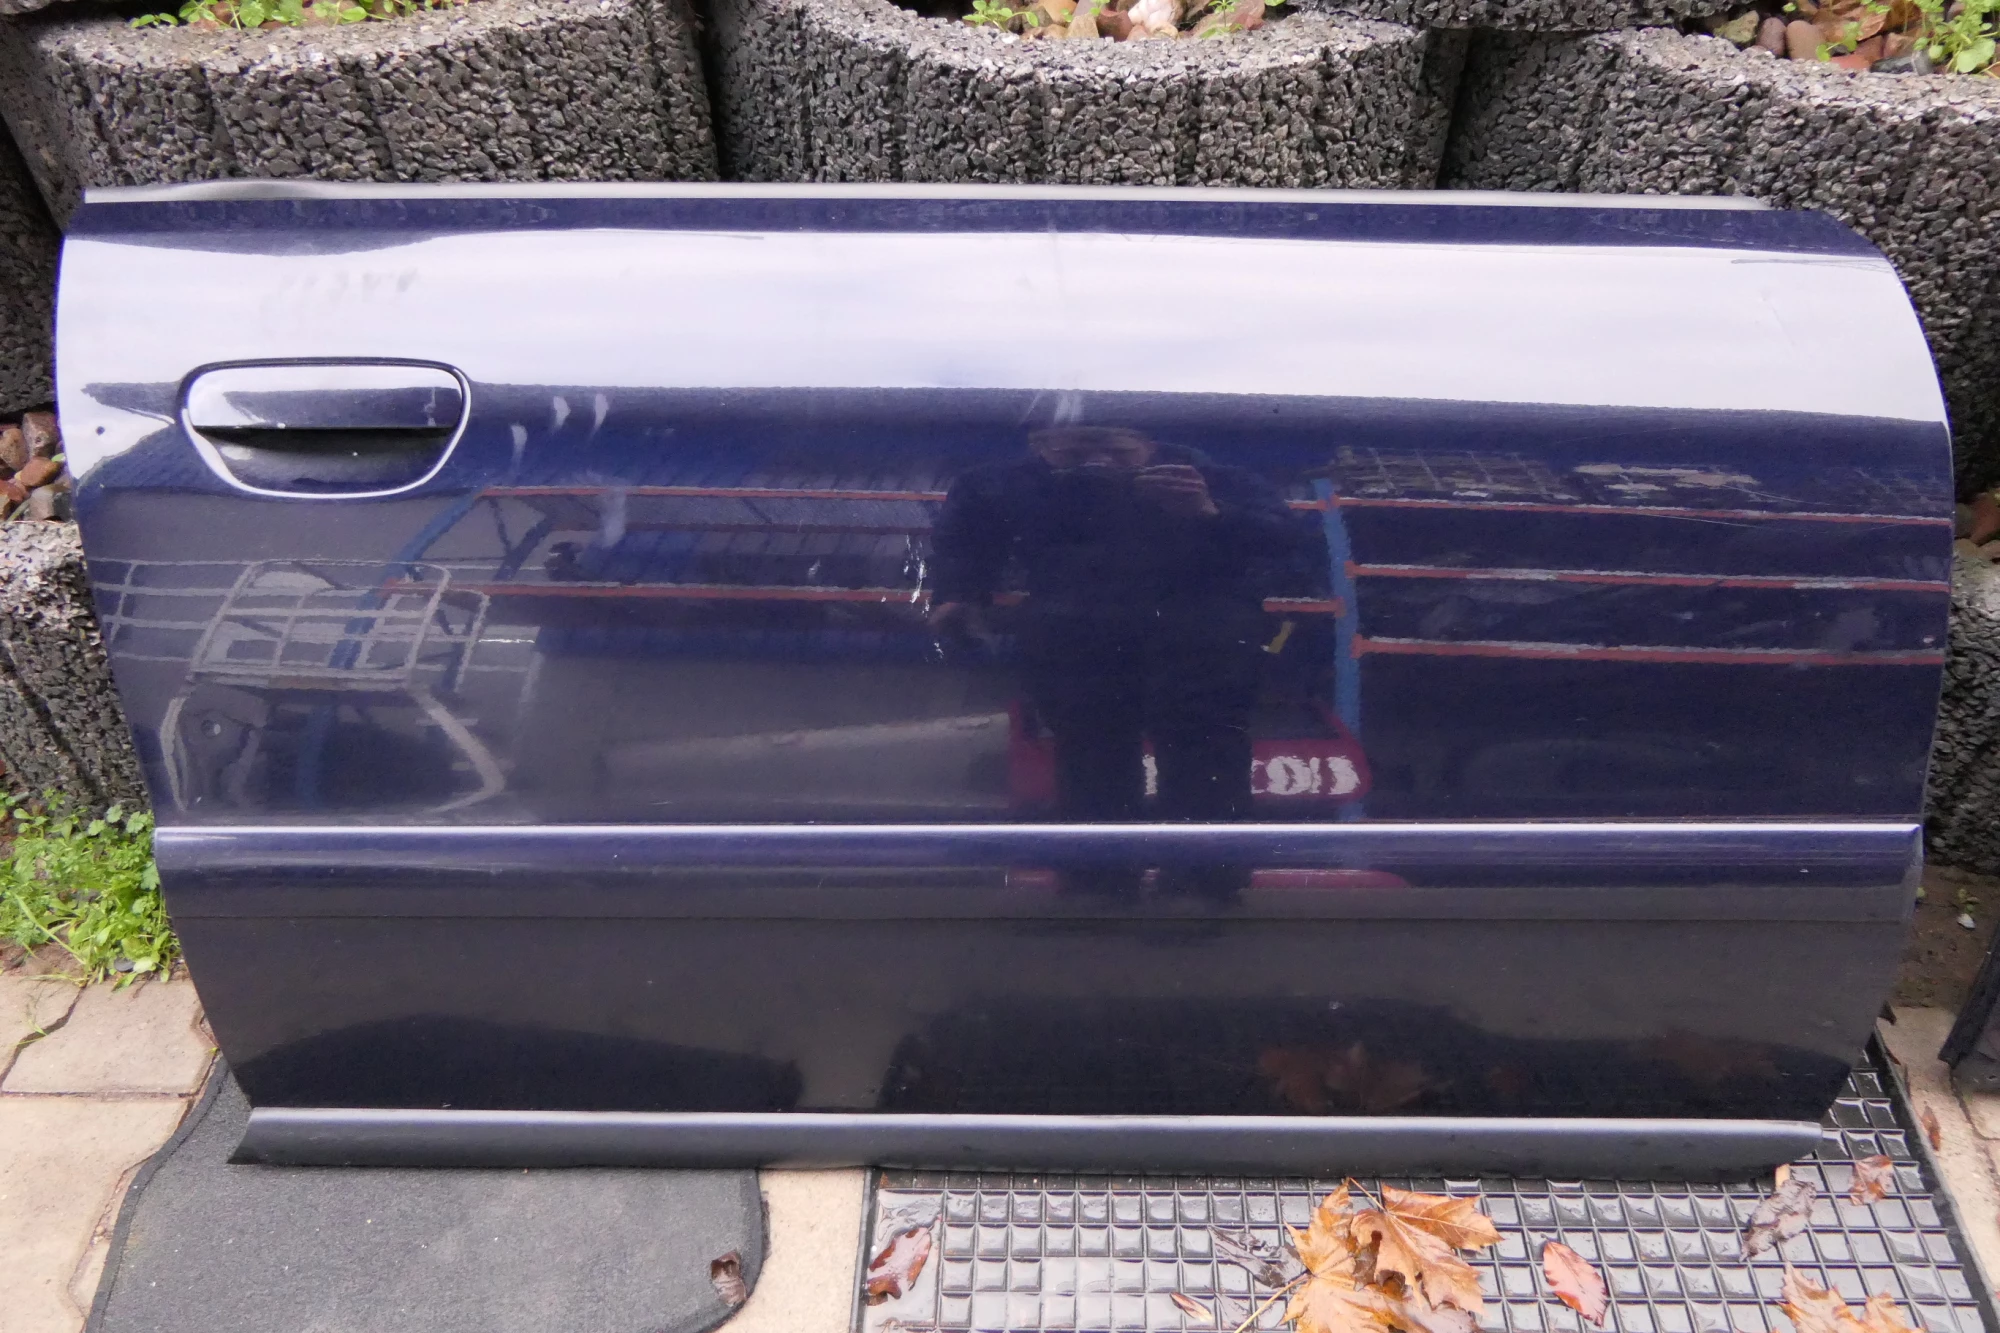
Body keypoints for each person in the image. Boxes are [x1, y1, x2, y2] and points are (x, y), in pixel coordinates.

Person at [928, 424, 1315, 898]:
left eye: (1116, 451)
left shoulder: (1208, 477)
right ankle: (1100, 883)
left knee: (1200, 751)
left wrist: (1209, 512)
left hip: (1193, 633)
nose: (1099, 462)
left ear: (1150, 446)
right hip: (1083, 632)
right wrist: (958, 594)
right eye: (1075, 452)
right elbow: (966, 537)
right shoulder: (1001, 483)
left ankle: (1202, 886)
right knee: (1091, 753)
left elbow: (1287, 542)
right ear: (1040, 447)